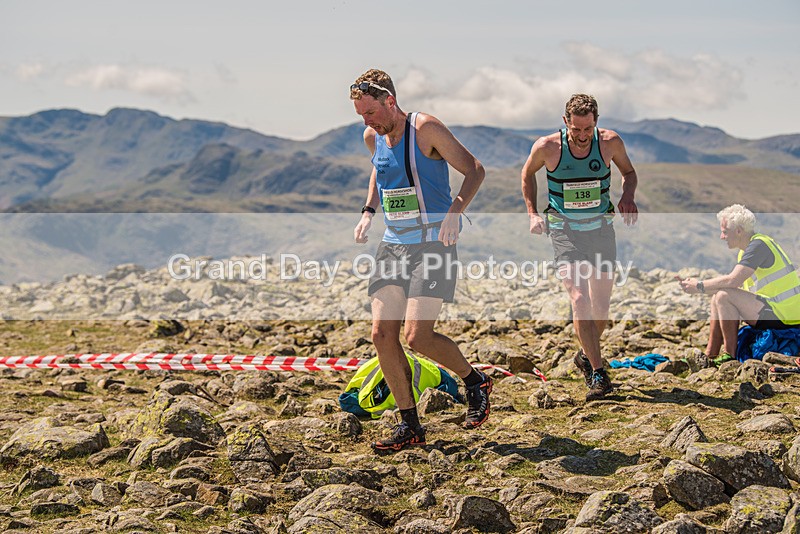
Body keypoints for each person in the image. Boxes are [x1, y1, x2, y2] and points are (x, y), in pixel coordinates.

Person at [349, 68, 492, 452]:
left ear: (389, 101)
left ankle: (474, 380)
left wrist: (455, 210)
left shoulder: (425, 128)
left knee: (416, 336)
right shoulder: (372, 136)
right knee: (381, 335)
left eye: (371, 113)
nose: (367, 122)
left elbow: (475, 170)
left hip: (433, 243)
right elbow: (380, 172)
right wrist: (367, 211)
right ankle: (409, 424)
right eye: (361, 115)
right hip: (394, 243)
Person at [521, 94, 638, 401]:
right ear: (565, 123)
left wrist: (628, 196)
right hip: (564, 230)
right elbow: (527, 174)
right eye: (577, 130)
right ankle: (598, 374)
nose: (583, 137)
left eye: (588, 129)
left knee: (600, 306)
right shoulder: (547, 147)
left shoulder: (610, 142)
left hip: (600, 229)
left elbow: (629, 173)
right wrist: (533, 212)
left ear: (596, 123)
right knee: (579, 297)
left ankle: (587, 355)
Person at [679, 204, 800, 363]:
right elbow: (736, 286)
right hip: (775, 309)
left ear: (738, 231)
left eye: (724, 232)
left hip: (785, 315)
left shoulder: (759, 245)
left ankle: (730, 356)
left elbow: (732, 280)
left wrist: (699, 286)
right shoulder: (746, 250)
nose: (722, 237)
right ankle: (710, 354)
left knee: (723, 296)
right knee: (718, 296)